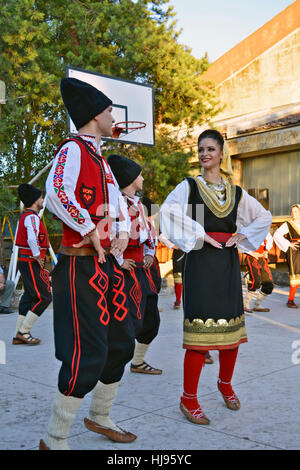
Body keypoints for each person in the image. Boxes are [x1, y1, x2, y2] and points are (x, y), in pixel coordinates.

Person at [40, 78, 135, 450]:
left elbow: (115, 200)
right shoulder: (74, 150)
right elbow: (56, 192)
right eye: (111, 110)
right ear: (96, 115)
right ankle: (54, 439)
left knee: (121, 344)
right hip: (80, 267)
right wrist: (87, 227)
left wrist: (123, 229)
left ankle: (99, 416)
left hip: (106, 267)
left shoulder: (100, 157)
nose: (114, 116)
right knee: (86, 352)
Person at [160, 129, 272, 425]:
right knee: (199, 335)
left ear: (222, 153)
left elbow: (264, 217)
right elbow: (168, 212)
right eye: (201, 149)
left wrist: (242, 236)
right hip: (200, 261)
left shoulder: (236, 193)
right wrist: (199, 234)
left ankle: (225, 383)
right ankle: (189, 398)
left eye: (211, 149)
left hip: (226, 263)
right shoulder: (189, 187)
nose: (205, 154)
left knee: (230, 333)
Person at [107, 154, 162, 375]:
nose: (142, 178)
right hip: (124, 271)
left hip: (142, 269)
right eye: (139, 175)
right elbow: (108, 234)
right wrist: (119, 259)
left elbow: (149, 234)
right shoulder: (115, 203)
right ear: (130, 179)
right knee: (128, 322)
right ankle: (110, 368)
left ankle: (138, 362)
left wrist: (150, 252)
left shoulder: (139, 205)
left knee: (151, 320)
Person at [12, 184, 52, 345]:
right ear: (35, 200)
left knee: (29, 296)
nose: (42, 200)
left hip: (25, 260)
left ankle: (18, 334)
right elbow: (31, 238)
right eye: (41, 197)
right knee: (44, 297)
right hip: (30, 261)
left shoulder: (27, 216)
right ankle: (24, 331)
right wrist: (37, 256)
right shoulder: (32, 217)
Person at [273, 204, 300, 308]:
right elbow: (277, 235)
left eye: (296, 211)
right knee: (295, 275)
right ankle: (290, 300)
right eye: (292, 211)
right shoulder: (287, 224)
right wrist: (289, 244)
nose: (293, 213)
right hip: (294, 252)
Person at [243, 232, 274, 312]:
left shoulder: (263, 226)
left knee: (269, 283)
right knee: (255, 280)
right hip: (251, 257)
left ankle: (257, 305)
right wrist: (250, 252)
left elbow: (269, 238)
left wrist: (266, 250)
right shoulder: (246, 226)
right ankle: (246, 304)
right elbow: (240, 242)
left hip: (261, 257)